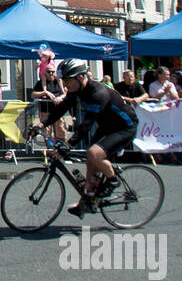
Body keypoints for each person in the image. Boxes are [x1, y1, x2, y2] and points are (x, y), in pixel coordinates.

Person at [36, 59, 138, 218]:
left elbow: (86, 125)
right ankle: (88, 201)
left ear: (81, 78)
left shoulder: (99, 93)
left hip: (124, 127)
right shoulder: (76, 90)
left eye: (68, 80)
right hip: (106, 127)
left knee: (94, 153)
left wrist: (68, 145)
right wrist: (42, 125)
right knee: (91, 163)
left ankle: (113, 180)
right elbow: (62, 108)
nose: (65, 84)